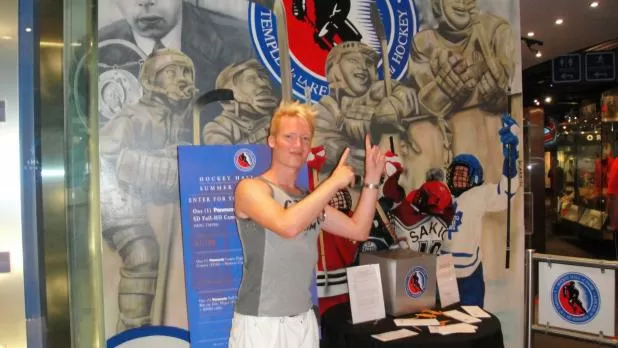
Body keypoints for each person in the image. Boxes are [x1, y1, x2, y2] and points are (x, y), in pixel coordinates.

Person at [229, 101, 385, 347]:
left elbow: (359, 229)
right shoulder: (251, 188)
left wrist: (372, 180)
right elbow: (287, 225)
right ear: (272, 141)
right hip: (263, 324)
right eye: (289, 136)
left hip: (303, 321)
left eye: (304, 138)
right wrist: (332, 183)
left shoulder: (307, 199)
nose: (297, 145)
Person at [99, 48, 196, 331]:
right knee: (142, 254)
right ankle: (131, 333)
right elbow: (107, 158)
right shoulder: (134, 117)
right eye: (172, 72)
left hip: (148, 202)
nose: (182, 79)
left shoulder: (176, 119)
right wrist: (163, 161)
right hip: (117, 199)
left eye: (186, 72)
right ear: (152, 81)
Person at [441, 114, 519, 307]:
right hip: (443, 270)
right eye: (455, 173)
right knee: (445, 322)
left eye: (463, 174)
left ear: (475, 177)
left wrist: (510, 158)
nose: (457, 178)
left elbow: (506, 192)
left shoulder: (478, 195)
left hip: (470, 272)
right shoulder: (441, 195)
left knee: (473, 322)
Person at [202, 59, 279, 145]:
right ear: (231, 93)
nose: (263, 84)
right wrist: (259, 135)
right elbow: (226, 157)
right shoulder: (218, 128)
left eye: (263, 78)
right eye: (251, 80)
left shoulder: (278, 121)